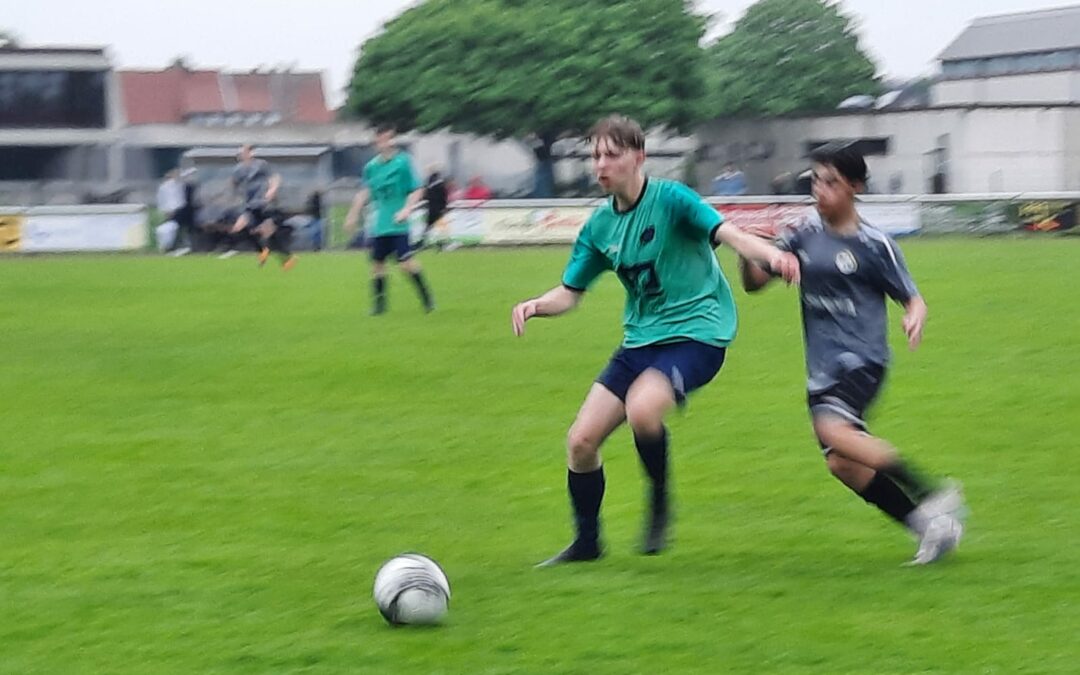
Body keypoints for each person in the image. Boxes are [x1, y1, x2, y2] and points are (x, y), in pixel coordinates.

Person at [510, 115, 800, 566]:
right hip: (641, 340)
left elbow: (731, 234)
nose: (600, 165)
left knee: (644, 407)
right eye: (595, 156)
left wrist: (773, 257)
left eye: (611, 154)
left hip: (699, 333)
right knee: (581, 441)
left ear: (638, 157)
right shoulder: (600, 226)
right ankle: (588, 543)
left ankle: (660, 501)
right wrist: (535, 305)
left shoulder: (671, 199)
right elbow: (570, 293)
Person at [737, 142, 966, 565]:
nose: (819, 190)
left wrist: (915, 316)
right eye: (815, 181)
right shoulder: (801, 234)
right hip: (821, 368)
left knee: (833, 431)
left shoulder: (874, 244)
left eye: (831, 182)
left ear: (855, 187)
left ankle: (935, 493)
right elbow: (754, 282)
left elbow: (913, 298)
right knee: (843, 464)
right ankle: (930, 527)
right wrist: (747, 248)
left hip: (862, 361)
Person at [344, 124, 434, 315]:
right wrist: (352, 214)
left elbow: (417, 189)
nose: (383, 142)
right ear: (376, 141)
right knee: (377, 264)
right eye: (380, 139)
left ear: (392, 140)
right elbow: (365, 192)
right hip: (379, 224)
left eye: (387, 138)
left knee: (406, 264)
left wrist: (406, 210)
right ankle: (379, 306)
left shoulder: (403, 162)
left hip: (399, 224)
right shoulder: (371, 167)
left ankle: (427, 299)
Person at [230, 144, 296, 269]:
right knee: (239, 229)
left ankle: (287, 258)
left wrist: (272, 189)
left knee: (268, 233)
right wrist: (234, 193)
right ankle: (263, 251)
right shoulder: (238, 169)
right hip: (250, 205)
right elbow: (233, 183)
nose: (241, 154)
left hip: (263, 203)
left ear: (250, 153)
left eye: (244, 151)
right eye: (240, 152)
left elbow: (275, 178)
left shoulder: (261, 165)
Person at [156, 169, 187, 255]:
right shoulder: (166, 187)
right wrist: (167, 211)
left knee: (177, 228)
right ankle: (170, 247)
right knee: (171, 229)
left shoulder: (179, 185)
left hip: (179, 210)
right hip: (171, 210)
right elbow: (164, 200)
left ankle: (176, 246)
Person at [421, 165, 449, 251]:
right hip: (439, 208)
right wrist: (444, 207)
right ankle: (441, 244)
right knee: (440, 227)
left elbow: (425, 195)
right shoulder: (440, 183)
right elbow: (444, 196)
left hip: (431, 207)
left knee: (428, 226)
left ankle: (424, 242)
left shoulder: (429, 182)